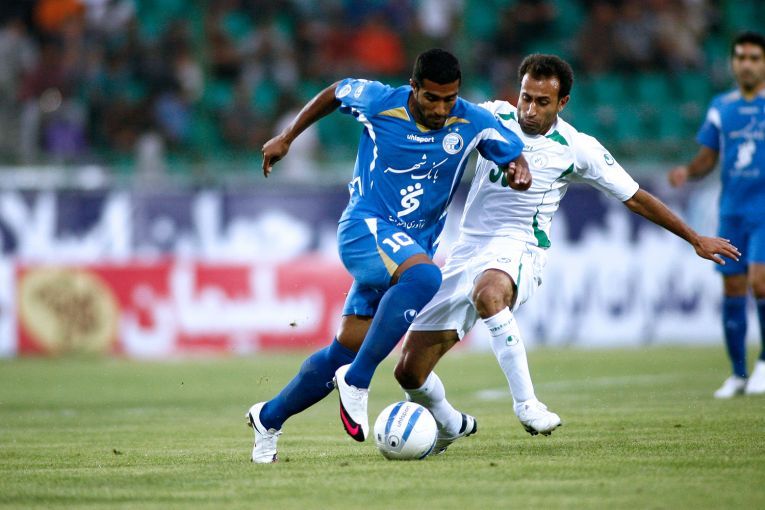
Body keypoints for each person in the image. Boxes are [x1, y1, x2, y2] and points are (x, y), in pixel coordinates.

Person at [393, 54, 741, 454]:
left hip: (521, 247)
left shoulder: (577, 147)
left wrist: (694, 238)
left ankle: (527, 404)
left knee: (489, 293)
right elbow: (434, 111)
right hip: (466, 250)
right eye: (526, 97)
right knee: (409, 372)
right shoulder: (493, 117)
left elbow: (635, 197)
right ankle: (452, 424)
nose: (529, 109)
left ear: (562, 103)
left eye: (542, 102)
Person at [247, 48, 531, 463]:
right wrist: (287, 137)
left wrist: (519, 169)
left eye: (449, 98)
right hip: (365, 229)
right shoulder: (380, 101)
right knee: (426, 278)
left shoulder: (471, 121)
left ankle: (268, 419)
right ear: (414, 87)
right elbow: (335, 91)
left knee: (345, 348)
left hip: (402, 254)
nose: (441, 109)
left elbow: (511, 151)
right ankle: (357, 381)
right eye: (432, 98)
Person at [667, 31, 765, 398]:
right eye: (740, 57)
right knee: (733, 288)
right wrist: (688, 172)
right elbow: (708, 158)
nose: (746, 64)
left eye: (754, 58)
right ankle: (738, 374)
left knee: (760, 282)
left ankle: (764, 364)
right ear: (732, 63)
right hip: (732, 212)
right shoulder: (721, 106)